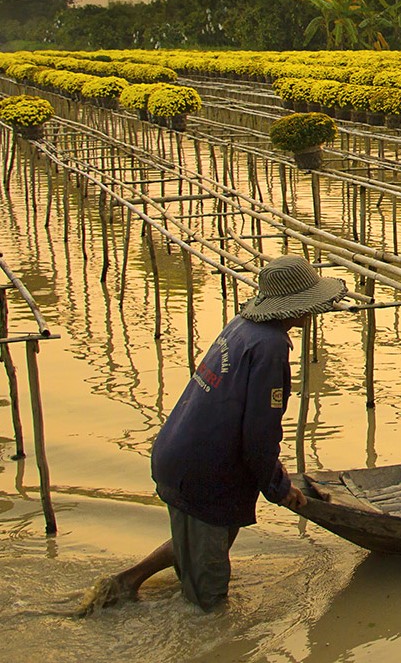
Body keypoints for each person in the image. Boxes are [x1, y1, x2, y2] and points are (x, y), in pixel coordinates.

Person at [80, 254, 345, 614]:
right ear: (294, 305)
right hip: (206, 471)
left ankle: (125, 583)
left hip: (177, 452)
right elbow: (259, 436)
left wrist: (275, 481)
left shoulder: (243, 324)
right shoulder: (270, 347)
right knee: (209, 606)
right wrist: (278, 488)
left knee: (202, 536)